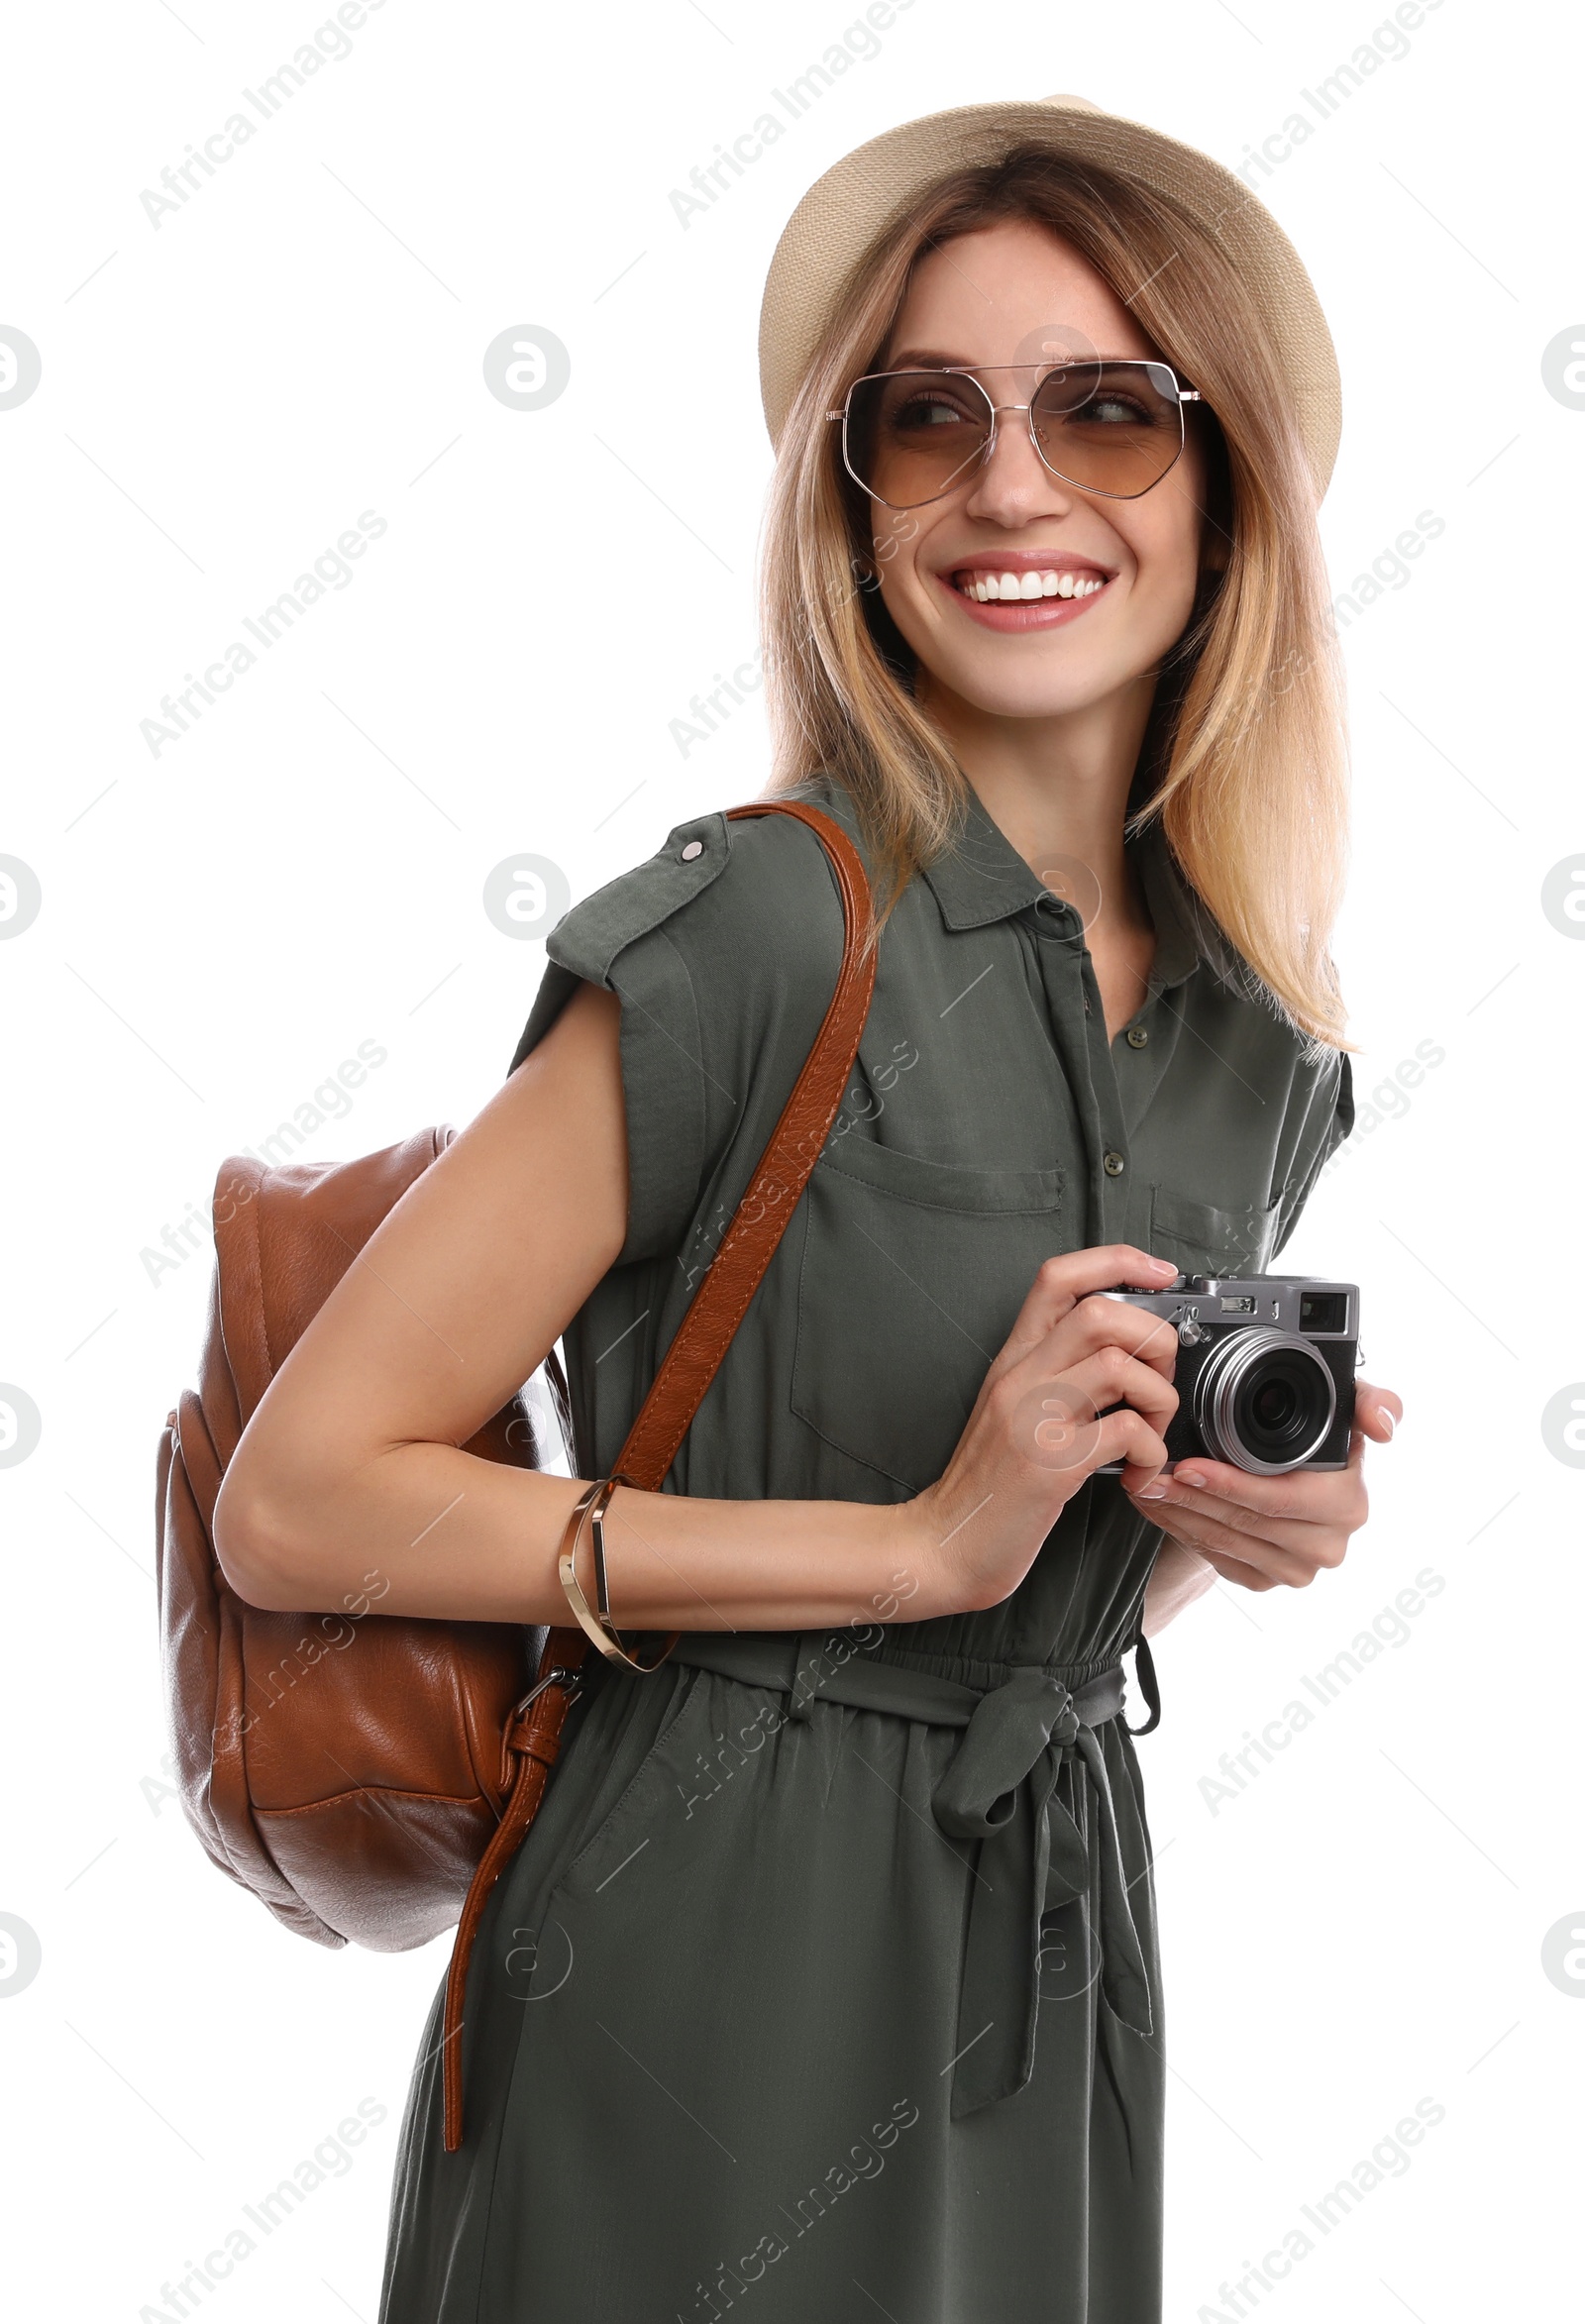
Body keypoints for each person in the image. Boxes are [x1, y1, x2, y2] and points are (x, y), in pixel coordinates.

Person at [214, 93, 1403, 2324]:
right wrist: (913, 1546)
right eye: (923, 419)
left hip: (1053, 1950)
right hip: (702, 1948)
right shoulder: (770, 921)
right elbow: (301, 1501)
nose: (1013, 488)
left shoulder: (1267, 1041)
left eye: (1109, 414)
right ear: (845, 504)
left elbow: (1047, 1592)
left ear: (1226, 488)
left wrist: (1216, 1541)